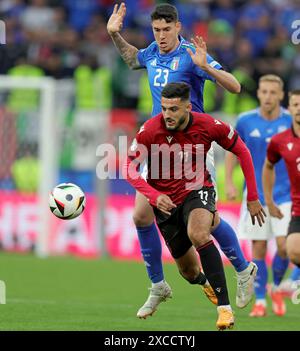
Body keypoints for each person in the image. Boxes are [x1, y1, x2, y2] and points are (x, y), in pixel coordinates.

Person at [107, 2, 257, 319]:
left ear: (178, 26)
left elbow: (235, 86)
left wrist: (207, 67)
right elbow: (133, 59)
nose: (161, 36)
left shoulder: (191, 54)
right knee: (140, 217)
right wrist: (114, 35)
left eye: (166, 30)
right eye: (156, 30)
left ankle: (243, 269)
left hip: (193, 148)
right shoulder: (151, 52)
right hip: (159, 148)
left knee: (205, 224)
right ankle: (158, 285)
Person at [123, 82, 266, 330]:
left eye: (174, 109)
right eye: (165, 108)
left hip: (197, 189)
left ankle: (224, 309)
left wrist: (252, 196)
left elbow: (242, 151)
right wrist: (154, 196)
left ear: (188, 107)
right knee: (188, 272)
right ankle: (217, 277)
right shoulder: (150, 130)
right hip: (166, 202)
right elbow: (128, 168)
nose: (168, 115)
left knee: (199, 232)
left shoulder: (209, 125)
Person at [225, 74, 292, 317]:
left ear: (281, 95)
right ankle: (261, 299)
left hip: (285, 194)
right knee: (259, 248)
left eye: (273, 92)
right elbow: (232, 150)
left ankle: (275, 286)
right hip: (254, 195)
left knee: (285, 248)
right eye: (264, 92)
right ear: (259, 93)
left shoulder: (291, 121)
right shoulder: (245, 120)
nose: (267, 97)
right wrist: (231, 182)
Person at [263, 89, 300, 271]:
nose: (299, 108)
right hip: (298, 207)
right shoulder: (280, 141)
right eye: (295, 105)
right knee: (292, 250)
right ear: (289, 109)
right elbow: (268, 165)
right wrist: (269, 200)